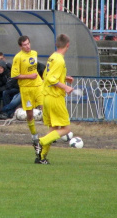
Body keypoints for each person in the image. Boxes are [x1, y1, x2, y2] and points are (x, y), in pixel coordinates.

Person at [34, 34, 74, 165]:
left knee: (53, 128)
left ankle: (41, 157)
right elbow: (51, 79)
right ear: (67, 45)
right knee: (66, 128)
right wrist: (65, 87)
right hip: (55, 97)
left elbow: (47, 74)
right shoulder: (60, 60)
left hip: (46, 96)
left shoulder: (52, 57)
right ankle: (40, 142)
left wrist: (64, 78)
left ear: (56, 44)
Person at [11, 36, 44, 147]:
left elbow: (35, 68)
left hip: (38, 85)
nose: (28, 46)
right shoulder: (18, 57)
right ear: (20, 46)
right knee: (29, 115)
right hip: (26, 89)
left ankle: (51, 133)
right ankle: (34, 134)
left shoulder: (34, 53)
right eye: (25, 44)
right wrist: (29, 76)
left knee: (45, 107)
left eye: (28, 43)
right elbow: (15, 75)